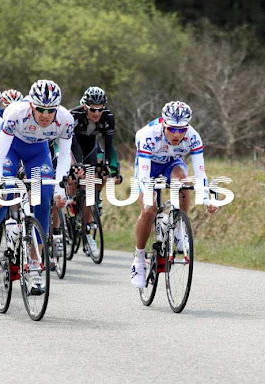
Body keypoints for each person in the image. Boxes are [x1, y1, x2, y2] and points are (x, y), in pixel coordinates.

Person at [0, 80, 81, 294]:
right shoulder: (15, 114)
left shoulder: (65, 119)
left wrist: (60, 189)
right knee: (5, 194)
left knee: (45, 197)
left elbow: (64, 155)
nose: (45, 115)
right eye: (40, 109)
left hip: (37, 154)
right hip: (12, 150)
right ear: (31, 106)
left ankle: (35, 265)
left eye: (50, 110)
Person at [131, 101, 218, 288]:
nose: (177, 134)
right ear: (163, 123)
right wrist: (149, 199)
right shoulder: (148, 136)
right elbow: (145, 177)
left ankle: (179, 229)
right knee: (148, 210)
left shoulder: (193, 137)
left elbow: (200, 172)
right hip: (149, 165)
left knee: (184, 180)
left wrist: (206, 198)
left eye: (182, 130)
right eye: (172, 129)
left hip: (172, 163)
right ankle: (138, 259)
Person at [67, 86, 116, 254]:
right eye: (93, 109)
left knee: (100, 174)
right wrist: (77, 165)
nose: (96, 113)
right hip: (72, 147)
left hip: (91, 148)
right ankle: (71, 198)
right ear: (85, 106)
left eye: (100, 109)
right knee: (73, 175)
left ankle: (88, 232)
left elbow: (109, 144)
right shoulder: (73, 115)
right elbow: (71, 144)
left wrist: (110, 165)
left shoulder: (108, 117)